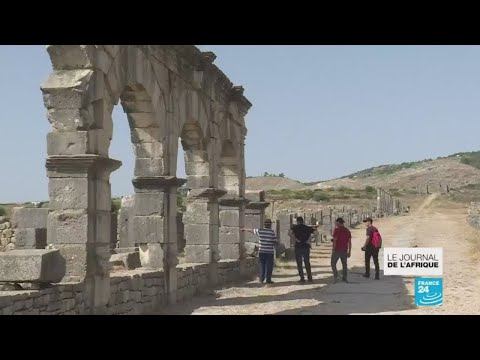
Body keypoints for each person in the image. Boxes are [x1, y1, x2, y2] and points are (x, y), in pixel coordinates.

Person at [241, 219, 278, 285]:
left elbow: (252, 230)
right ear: (270, 225)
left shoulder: (260, 230)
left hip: (262, 251)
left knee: (262, 265)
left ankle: (261, 279)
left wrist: (245, 229)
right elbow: (274, 241)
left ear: (264, 224)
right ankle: (268, 280)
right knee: (269, 266)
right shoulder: (272, 232)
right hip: (269, 252)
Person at [289, 217, 316, 283]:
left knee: (299, 263)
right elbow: (316, 233)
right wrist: (310, 239)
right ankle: (310, 278)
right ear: (303, 221)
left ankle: (302, 278)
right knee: (307, 262)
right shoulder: (307, 228)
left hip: (298, 246)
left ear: (297, 221)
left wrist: (295, 239)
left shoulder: (295, 228)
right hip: (306, 246)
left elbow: (289, 233)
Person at [331, 217, 351, 283]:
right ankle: (344, 278)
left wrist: (333, 249)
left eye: (336, 223)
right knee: (344, 265)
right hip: (344, 250)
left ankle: (336, 276)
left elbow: (335, 241)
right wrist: (349, 251)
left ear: (339, 223)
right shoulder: (347, 231)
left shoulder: (336, 230)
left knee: (333, 263)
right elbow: (349, 242)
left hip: (337, 250)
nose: (336, 224)